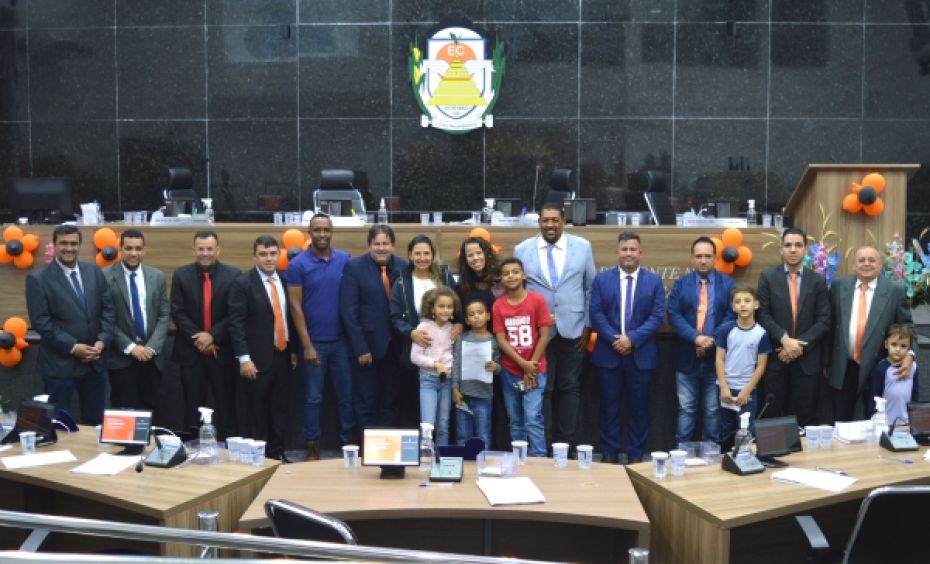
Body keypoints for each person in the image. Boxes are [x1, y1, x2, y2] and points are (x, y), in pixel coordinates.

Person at [514, 203, 595, 451]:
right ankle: (546, 445)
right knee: (543, 389)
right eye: (545, 220)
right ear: (539, 222)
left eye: (555, 220)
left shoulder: (582, 246)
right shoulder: (522, 250)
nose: (550, 225)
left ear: (564, 221)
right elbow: (519, 292)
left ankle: (566, 445)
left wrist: (588, 325)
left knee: (569, 387)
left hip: (574, 329)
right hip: (539, 334)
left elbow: (590, 288)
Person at [588, 231, 666, 464]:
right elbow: (596, 313)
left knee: (639, 410)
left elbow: (657, 316)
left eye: (633, 249)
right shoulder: (602, 280)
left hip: (641, 355)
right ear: (617, 252)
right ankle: (609, 454)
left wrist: (631, 339)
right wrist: (616, 340)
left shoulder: (654, 281)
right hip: (608, 354)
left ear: (640, 253)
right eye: (624, 249)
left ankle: (635, 456)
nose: (628, 253)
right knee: (608, 408)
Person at [26, 224, 114, 424]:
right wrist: (74, 347)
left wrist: (102, 340)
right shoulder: (38, 279)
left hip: (95, 363)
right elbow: (41, 322)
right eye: (63, 243)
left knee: (96, 424)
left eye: (73, 244)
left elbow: (108, 310)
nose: (69, 248)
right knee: (59, 426)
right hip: (60, 366)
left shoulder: (94, 272)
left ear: (79, 246)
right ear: (55, 245)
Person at [286, 213, 355, 460]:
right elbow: (295, 307)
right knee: (313, 399)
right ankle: (312, 447)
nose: (322, 234)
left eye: (326, 229)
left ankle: (349, 446)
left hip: (342, 343)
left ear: (332, 231)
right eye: (317, 230)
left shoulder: (345, 260)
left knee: (346, 398)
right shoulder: (298, 265)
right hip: (313, 343)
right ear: (310, 233)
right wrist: (306, 345)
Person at [228, 236, 296, 460]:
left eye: (273, 254)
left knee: (280, 410)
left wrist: (293, 350)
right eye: (263, 254)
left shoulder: (285, 280)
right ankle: (258, 457)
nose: (269, 259)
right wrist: (244, 358)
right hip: (255, 360)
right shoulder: (242, 283)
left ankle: (277, 455)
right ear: (254, 257)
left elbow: (289, 317)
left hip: (282, 356)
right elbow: (236, 324)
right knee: (256, 412)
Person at [829, 245, 913, 422]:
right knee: (841, 422)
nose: (866, 264)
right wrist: (825, 362)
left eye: (871, 260)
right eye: (861, 260)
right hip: (845, 367)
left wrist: (910, 355)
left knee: (876, 421)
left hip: (879, 366)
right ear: (853, 265)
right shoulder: (839, 286)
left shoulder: (894, 290)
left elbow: (907, 326)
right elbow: (830, 323)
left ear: (880, 265)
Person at [756, 227, 831, 426]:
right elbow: (762, 314)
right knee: (774, 419)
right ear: (781, 249)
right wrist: (785, 340)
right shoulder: (768, 276)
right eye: (788, 245)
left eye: (798, 245)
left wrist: (797, 346)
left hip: (807, 361)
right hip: (776, 358)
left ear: (805, 249)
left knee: (805, 420)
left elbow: (824, 320)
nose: (793, 249)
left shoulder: (818, 280)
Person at [170, 230, 240, 438]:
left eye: (209, 249)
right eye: (201, 249)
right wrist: (200, 338)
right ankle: (191, 446)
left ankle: (228, 447)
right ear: (194, 250)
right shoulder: (181, 275)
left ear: (218, 250)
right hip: (190, 353)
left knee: (226, 406)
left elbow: (234, 312)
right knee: (192, 406)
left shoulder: (234, 275)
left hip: (222, 352)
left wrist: (213, 336)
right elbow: (177, 312)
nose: (205, 253)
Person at [668, 236, 735, 445]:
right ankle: (682, 452)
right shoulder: (681, 284)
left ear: (715, 258)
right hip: (687, 356)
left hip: (716, 359)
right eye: (699, 256)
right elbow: (673, 315)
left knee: (713, 410)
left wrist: (711, 339)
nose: (703, 260)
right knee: (686, 409)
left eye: (707, 256)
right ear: (692, 259)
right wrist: (696, 338)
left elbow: (731, 315)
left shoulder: (728, 284)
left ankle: (711, 453)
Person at [340, 225, 409, 430]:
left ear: (393, 246)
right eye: (376, 244)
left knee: (391, 400)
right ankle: (366, 446)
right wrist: (360, 348)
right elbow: (348, 312)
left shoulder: (403, 266)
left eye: (385, 243)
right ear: (369, 245)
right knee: (366, 401)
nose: (381, 248)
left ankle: (387, 445)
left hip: (396, 348)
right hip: (367, 349)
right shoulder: (354, 267)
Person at [103, 229, 170, 414]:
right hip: (121, 357)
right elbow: (105, 318)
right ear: (120, 250)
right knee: (124, 412)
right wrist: (131, 347)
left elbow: (164, 314)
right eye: (129, 248)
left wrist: (151, 347)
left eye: (138, 248)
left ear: (144, 250)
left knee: (152, 411)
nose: (134, 253)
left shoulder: (157, 276)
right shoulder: (104, 276)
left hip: (152, 357)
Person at [493, 257, 552, 457]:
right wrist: (522, 364)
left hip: (536, 370)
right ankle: (520, 458)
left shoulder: (537, 300)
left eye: (515, 272)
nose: (511, 276)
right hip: (510, 371)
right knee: (515, 420)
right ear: (501, 279)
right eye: (506, 273)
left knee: (533, 417)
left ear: (524, 275)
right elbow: (501, 339)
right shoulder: (498, 305)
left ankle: (539, 458)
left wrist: (530, 367)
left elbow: (544, 335)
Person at [390, 234, 461, 373]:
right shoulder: (401, 282)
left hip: (446, 350)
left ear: (433, 255)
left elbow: (458, 305)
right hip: (415, 348)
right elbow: (395, 317)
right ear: (410, 255)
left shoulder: (445, 277)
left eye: (426, 253)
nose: (422, 258)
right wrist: (411, 332)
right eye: (417, 253)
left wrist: (460, 323)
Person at [715, 287, 772, 441]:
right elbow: (719, 359)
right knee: (726, 431)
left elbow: (761, 365)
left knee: (745, 432)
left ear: (756, 304)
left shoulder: (761, 334)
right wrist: (724, 387)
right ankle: (726, 455)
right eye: (738, 302)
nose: (742, 305)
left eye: (747, 301)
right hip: (726, 389)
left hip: (747, 391)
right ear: (733, 307)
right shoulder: (726, 330)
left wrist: (747, 390)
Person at [409, 287, 461, 446]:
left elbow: (454, 355)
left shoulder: (452, 329)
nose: (445, 310)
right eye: (441, 306)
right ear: (432, 308)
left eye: (449, 307)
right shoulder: (423, 328)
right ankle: (426, 456)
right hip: (428, 380)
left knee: (443, 425)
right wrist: (435, 364)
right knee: (427, 425)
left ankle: (442, 457)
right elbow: (414, 356)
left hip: (447, 381)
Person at [453, 299, 500, 449]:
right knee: (463, 434)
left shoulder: (493, 340)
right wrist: (455, 388)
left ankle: (484, 462)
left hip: (484, 395)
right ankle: (464, 462)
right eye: (472, 314)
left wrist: (495, 367)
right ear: (467, 320)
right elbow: (456, 364)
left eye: (480, 313)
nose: (476, 316)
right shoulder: (462, 338)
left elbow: (499, 367)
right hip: (463, 395)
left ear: (488, 316)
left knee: (483, 435)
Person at [868, 323, 919, 423]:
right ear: (886, 344)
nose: (898, 349)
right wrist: (873, 417)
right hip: (885, 421)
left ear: (909, 348)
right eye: (894, 344)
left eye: (903, 346)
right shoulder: (881, 368)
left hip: (906, 421)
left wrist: (914, 416)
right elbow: (874, 395)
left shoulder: (914, 367)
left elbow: (915, 393)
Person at [457, 236, 503, 320]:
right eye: (470, 255)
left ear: (486, 254)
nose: (475, 258)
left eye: (479, 253)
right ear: (465, 260)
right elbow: (460, 314)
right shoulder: (462, 284)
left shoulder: (500, 278)